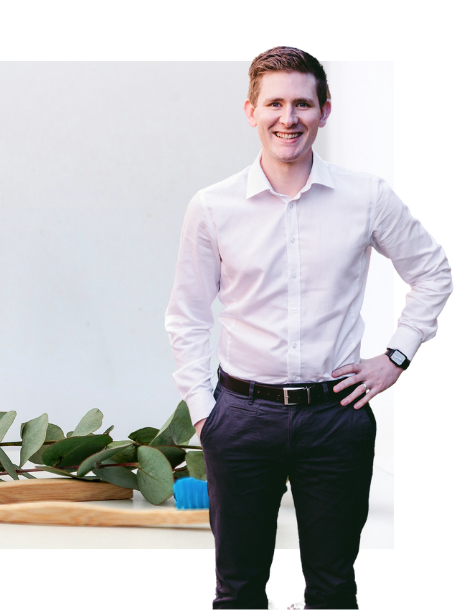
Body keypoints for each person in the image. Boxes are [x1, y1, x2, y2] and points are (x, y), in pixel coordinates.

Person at [165, 47, 452, 609]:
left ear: (325, 109)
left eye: (302, 103)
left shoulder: (366, 197)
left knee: (333, 589)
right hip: (242, 418)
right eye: (274, 103)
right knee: (238, 590)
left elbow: (433, 271)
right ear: (250, 110)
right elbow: (188, 312)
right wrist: (205, 412)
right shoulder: (214, 206)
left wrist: (395, 358)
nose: (287, 118)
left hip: (335, 421)